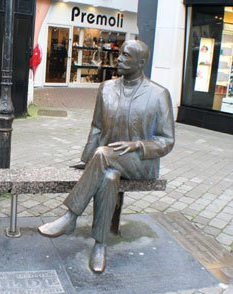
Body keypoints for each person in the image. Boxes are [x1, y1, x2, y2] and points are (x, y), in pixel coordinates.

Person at [38, 40, 175, 273]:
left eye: (125, 55)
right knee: (109, 177)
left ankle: (71, 216)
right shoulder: (106, 88)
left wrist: (138, 145)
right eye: (120, 54)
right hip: (107, 163)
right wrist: (86, 160)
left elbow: (167, 140)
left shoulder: (159, 94)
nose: (118, 58)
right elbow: (97, 127)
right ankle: (100, 246)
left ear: (141, 63)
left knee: (103, 155)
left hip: (140, 163)